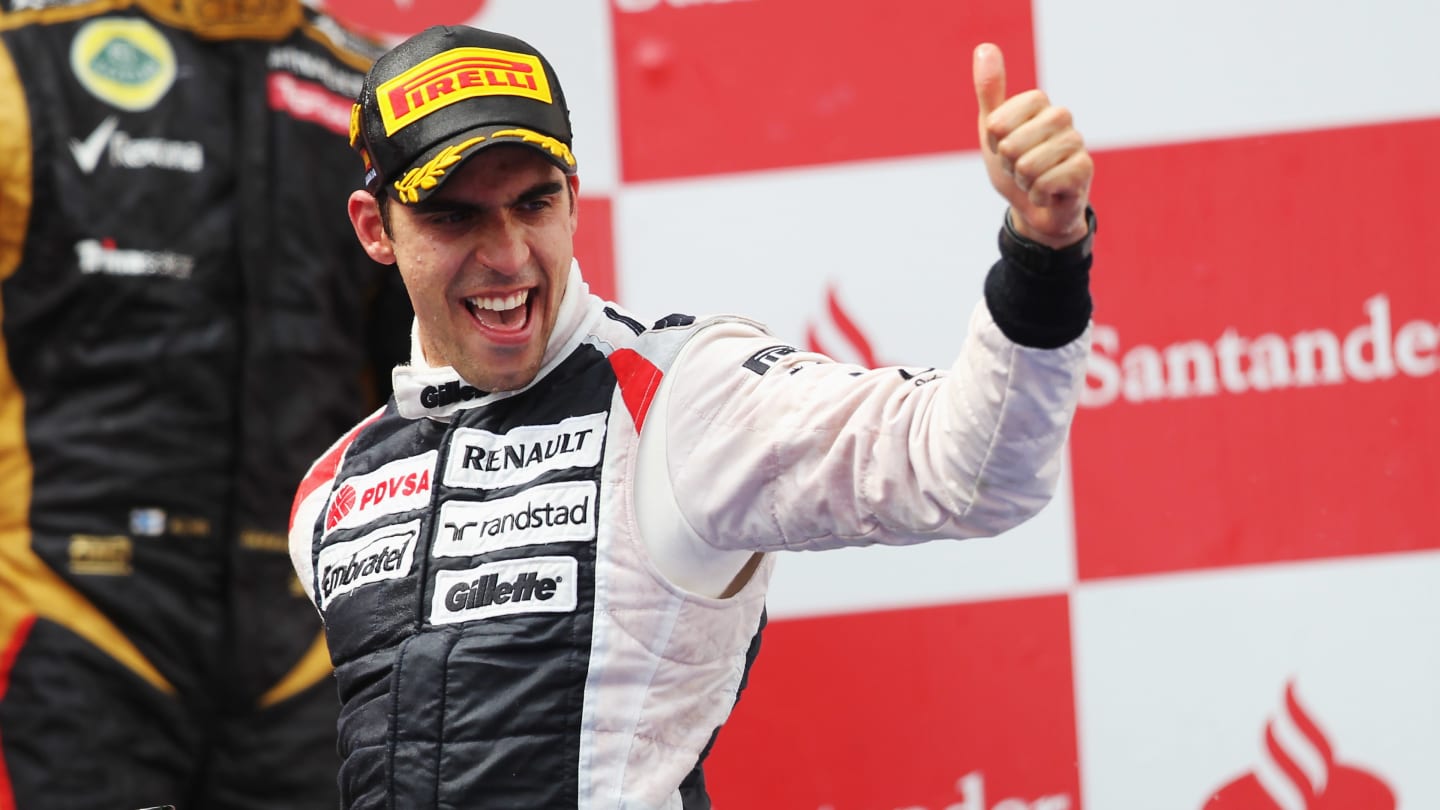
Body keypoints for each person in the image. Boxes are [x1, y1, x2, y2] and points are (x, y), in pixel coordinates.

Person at [287, 24, 1095, 809]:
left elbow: (972, 471)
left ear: (572, 200)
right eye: (454, 216)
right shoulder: (332, 491)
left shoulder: (681, 398)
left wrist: (1041, 253)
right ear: (375, 229)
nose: (506, 254)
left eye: (532, 204)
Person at [0, 0, 411, 808]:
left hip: (310, 645)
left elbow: (430, 385)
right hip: (71, 620)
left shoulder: (376, 95)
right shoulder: (24, 68)